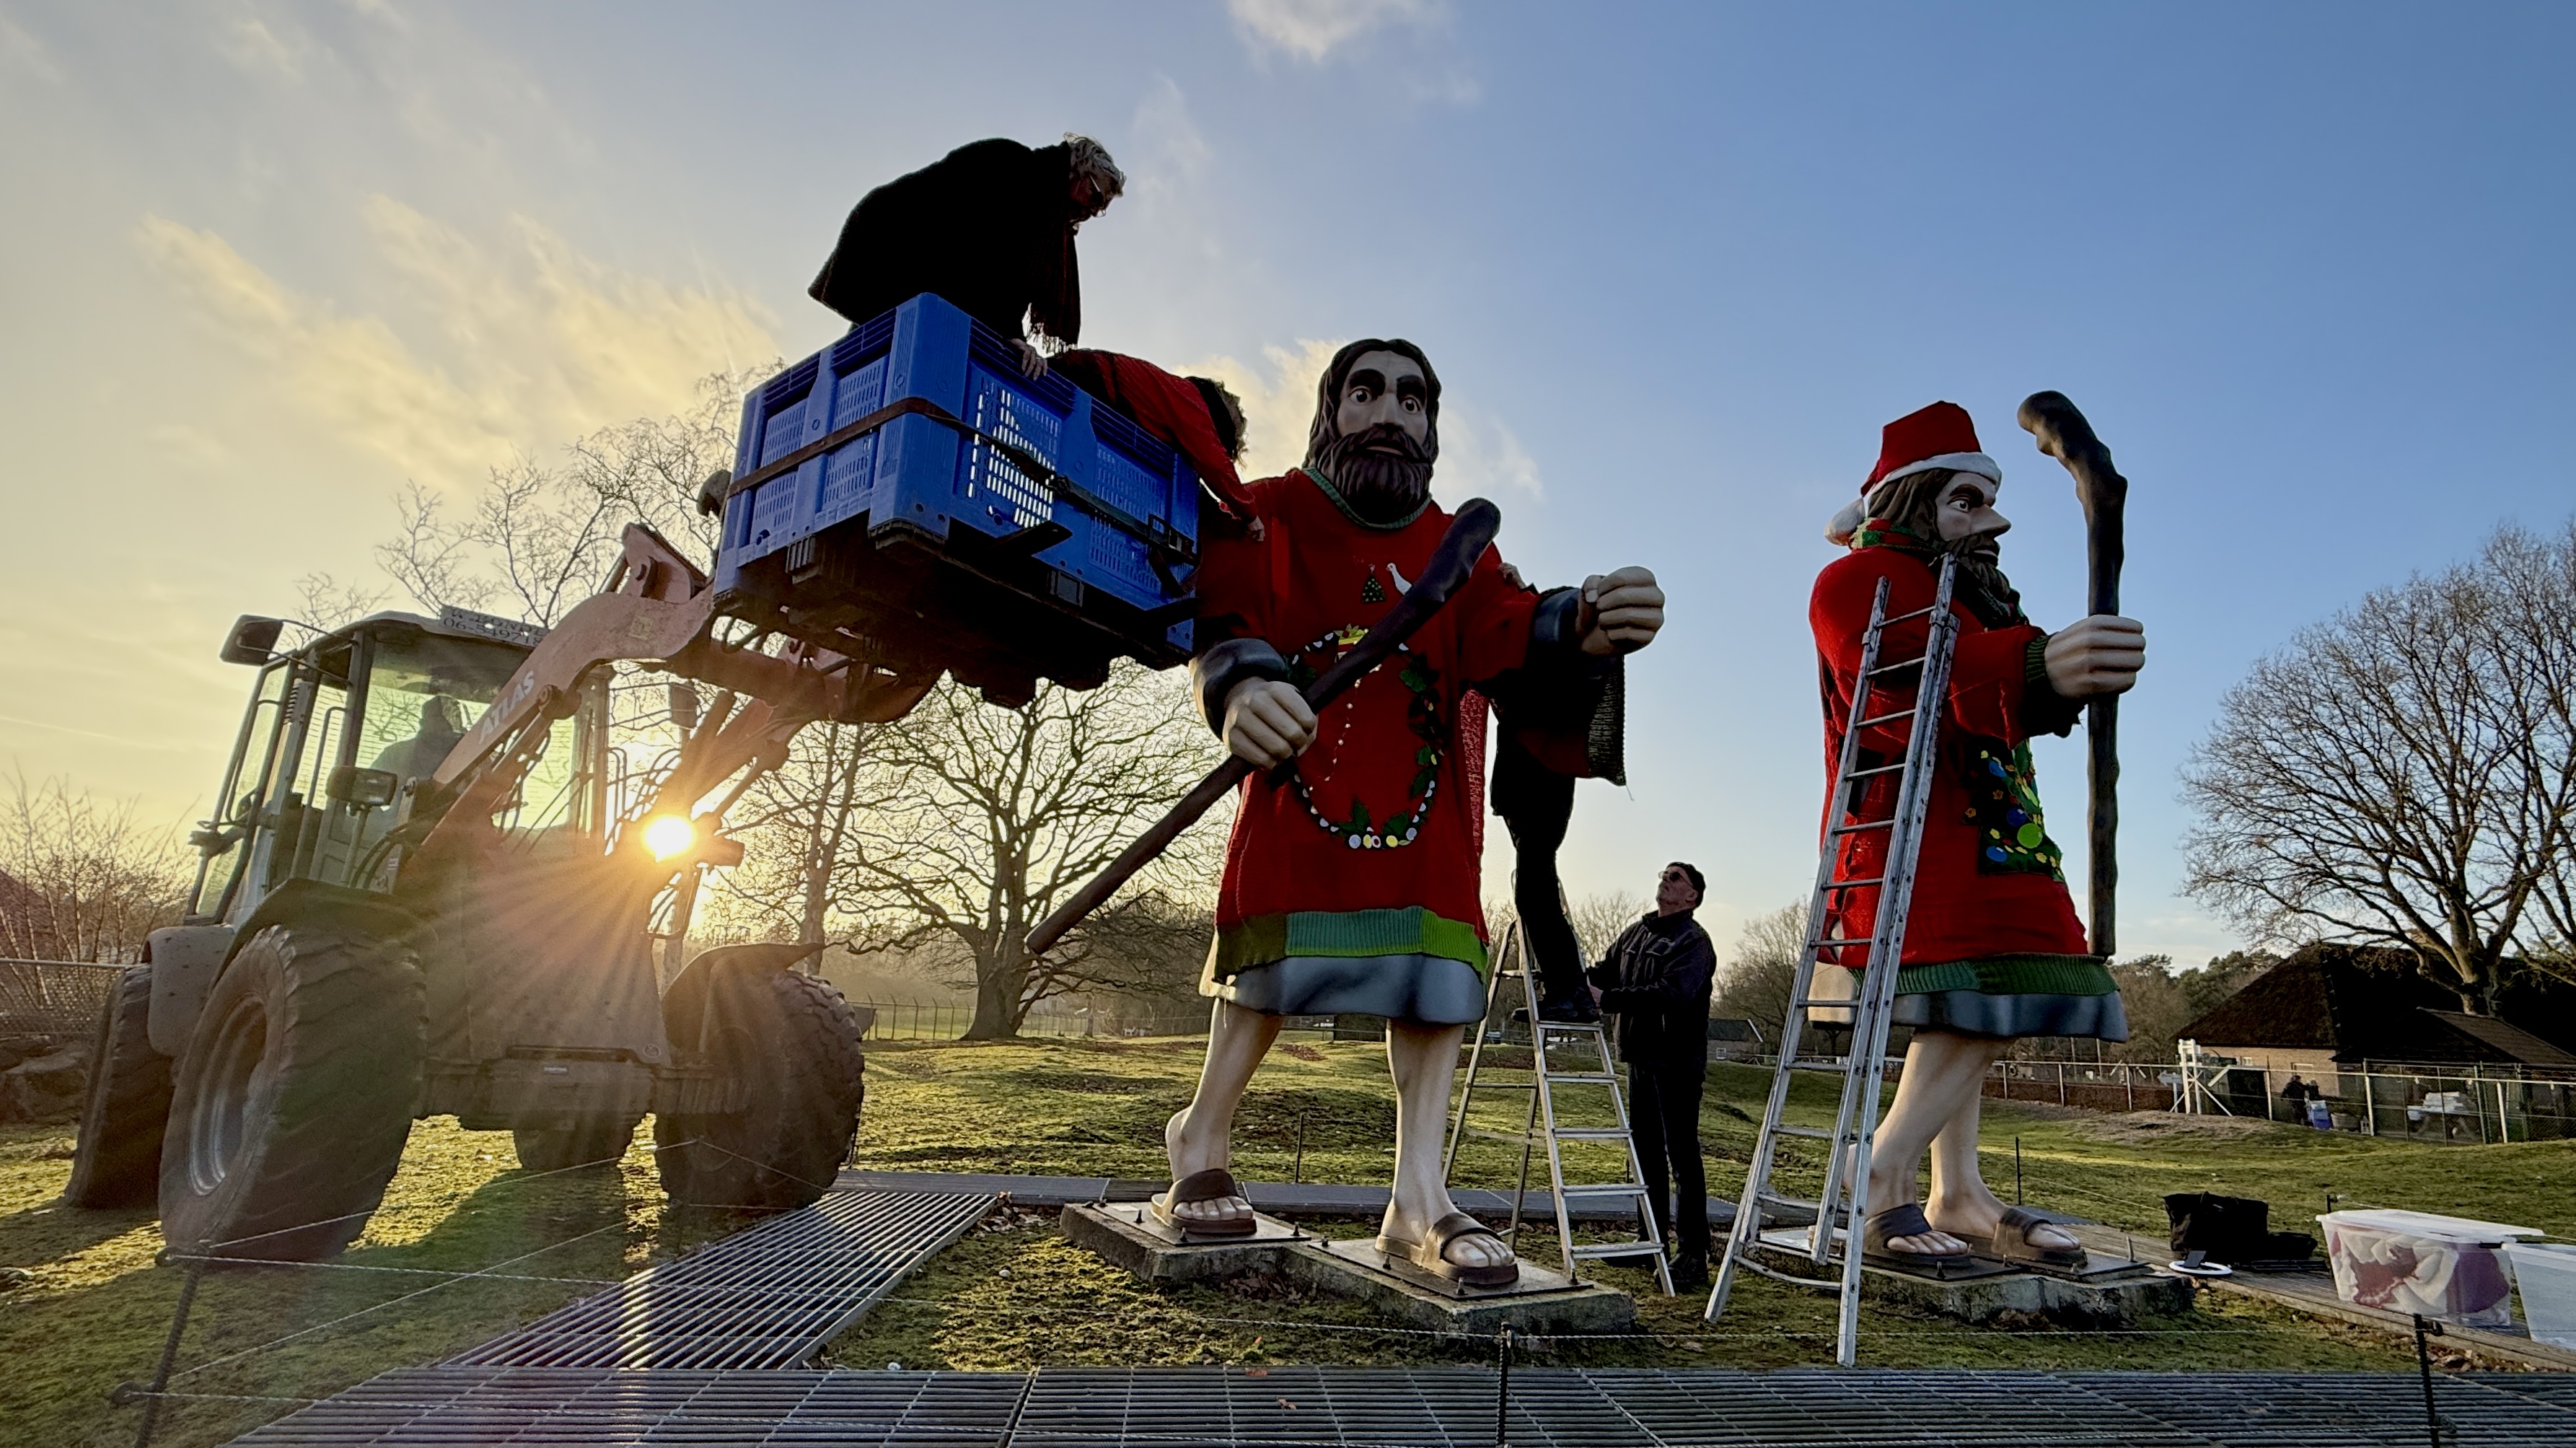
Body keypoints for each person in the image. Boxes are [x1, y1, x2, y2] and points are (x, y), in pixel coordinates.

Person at [1159, 338, 1666, 1288]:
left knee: (1433, 982)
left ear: (1432, 425)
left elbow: (1505, 624)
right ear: (1331, 408)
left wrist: (1582, 618)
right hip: (1300, 793)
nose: (1389, 410)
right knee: (1270, 971)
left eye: (1411, 397)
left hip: (1422, 814)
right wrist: (1232, 685)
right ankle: (1202, 1133)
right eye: (1365, 390)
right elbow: (1222, 617)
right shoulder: (1265, 512)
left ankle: (1418, 1194)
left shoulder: (1456, 545)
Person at [1811, 401, 2145, 1273]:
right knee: (1985, 992)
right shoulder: (1855, 582)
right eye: (1967, 501)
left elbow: (2009, 676)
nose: (1992, 521)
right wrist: (2038, 667)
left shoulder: (1975, 594)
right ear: (1912, 500)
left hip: (1997, 827)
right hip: (1909, 836)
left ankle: (1956, 1190)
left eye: (1992, 502)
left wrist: (2066, 664)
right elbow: (1895, 675)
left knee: (1977, 1004)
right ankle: (1878, 1177)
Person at [809, 134, 1125, 372]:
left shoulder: (1046, 219)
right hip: (897, 242)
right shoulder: (1016, 168)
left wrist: (1012, 334)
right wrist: (1008, 333)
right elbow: (982, 255)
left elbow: (1006, 280)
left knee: (890, 350)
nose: (1090, 210)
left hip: (930, 269)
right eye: (1095, 195)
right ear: (1076, 168)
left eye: (1100, 209)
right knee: (879, 350)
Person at [1586, 862, 1717, 1289]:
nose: (1666, 880)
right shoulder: (1635, 933)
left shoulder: (1694, 942)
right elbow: (1603, 974)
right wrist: (1568, 979)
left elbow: (1673, 994)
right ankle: (1650, 1245)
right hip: (1639, 1057)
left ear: (1692, 896)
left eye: (1676, 877)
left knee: (1682, 1156)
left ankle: (1693, 1256)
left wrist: (1608, 999)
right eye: (1664, 874)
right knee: (1644, 1156)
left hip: (1676, 1062)